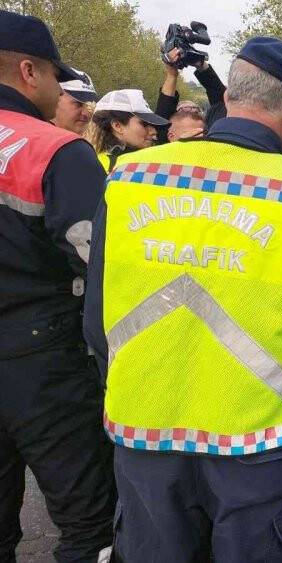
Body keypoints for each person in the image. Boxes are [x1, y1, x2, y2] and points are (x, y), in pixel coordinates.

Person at [82, 36, 282, 561]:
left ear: (231, 96)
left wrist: (122, 385)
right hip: (258, 442)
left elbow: (96, 314)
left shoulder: (131, 177)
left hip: (144, 429)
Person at [0, 11, 116, 562]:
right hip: (44, 362)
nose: (58, 89)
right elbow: (103, 267)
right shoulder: (57, 150)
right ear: (29, 72)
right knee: (88, 525)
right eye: (54, 75)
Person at [155, 46, 227, 144]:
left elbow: (221, 103)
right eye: (183, 109)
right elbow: (164, 110)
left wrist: (201, 64)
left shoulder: (213, 143)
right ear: (170, 136)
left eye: (196, 110)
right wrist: (171, 74)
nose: (190, 110)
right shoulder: (161, 148)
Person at [90, 89, 168, 172]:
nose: (153, 131)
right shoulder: (103, 166)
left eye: (152, 125)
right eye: (144, 124)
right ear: (117, 126)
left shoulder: (93, 159)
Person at [51, 67, 96, 134]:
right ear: (54, 99)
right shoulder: (37, 137)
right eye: (78, 104)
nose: (86, 113)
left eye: (89, 105)